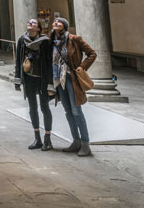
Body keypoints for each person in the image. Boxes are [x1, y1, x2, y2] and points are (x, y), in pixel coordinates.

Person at [51, 17, 96, 157]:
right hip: (59, 79)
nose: (56, 23)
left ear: (64, 26)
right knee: (68, 111)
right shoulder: (52, 41)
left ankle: (85, 144)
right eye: (54, 21)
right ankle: (75, 141)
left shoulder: (74, 39)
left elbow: (92, 53)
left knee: (76, 111)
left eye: (59, 22)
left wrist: (82, 67)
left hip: (71, 78)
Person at [14, 17, 54, 151]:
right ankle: (37, 138)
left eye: (34, 23)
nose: (30, 24)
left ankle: (47, 138)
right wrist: (17, 79)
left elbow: (49, 62)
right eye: (29, 22)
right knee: (32, 107)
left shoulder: (45, 42)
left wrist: (51, 83)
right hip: (29, 78)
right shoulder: (22, 40)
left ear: (38, 28)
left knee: (44, 107)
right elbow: (18, 60)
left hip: (42, 79)